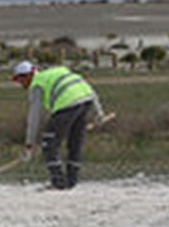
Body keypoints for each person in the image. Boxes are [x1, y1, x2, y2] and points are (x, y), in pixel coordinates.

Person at [12, 60, 104, 189]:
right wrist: (99, 112)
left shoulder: (37, 84)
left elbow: (34, 116)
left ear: (27, 76)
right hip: (85, 101)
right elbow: (85, 86)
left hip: (67, 104)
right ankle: (71, 181)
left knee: (49, 143)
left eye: (20, 80)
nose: (21, 84)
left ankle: (58, 182)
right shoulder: (58, 71)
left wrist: (29, 144)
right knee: (75, 142)